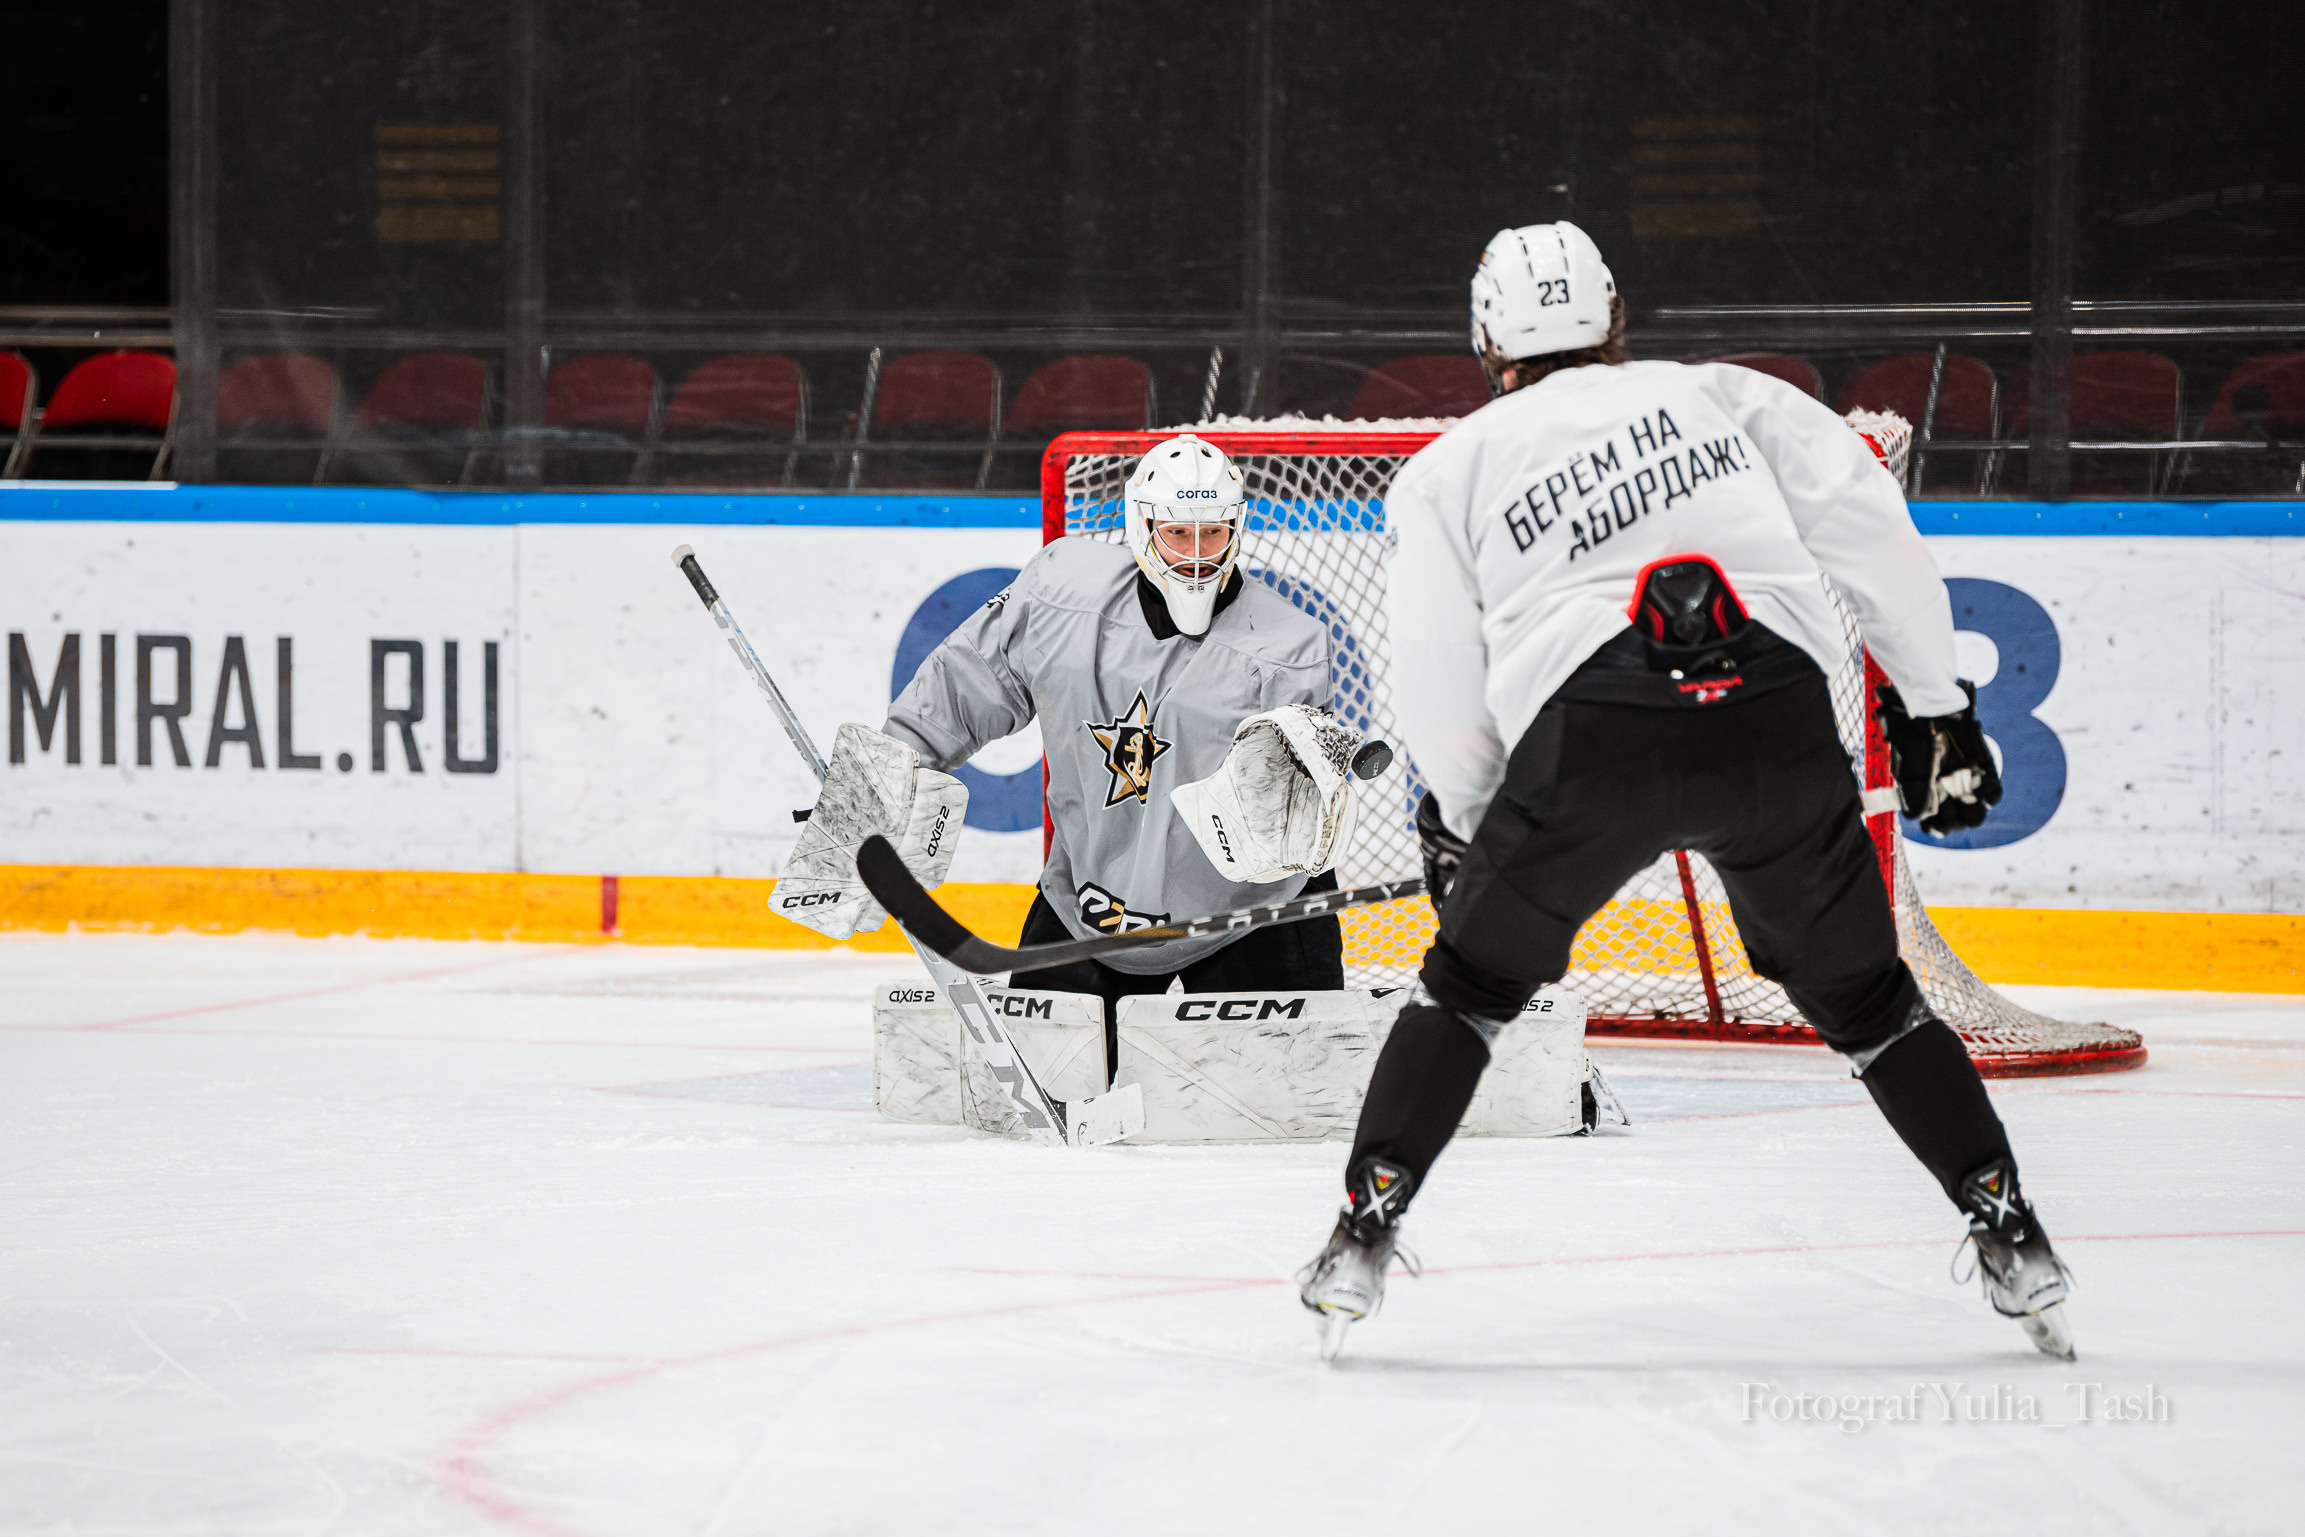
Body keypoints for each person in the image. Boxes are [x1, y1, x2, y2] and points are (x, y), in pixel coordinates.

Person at [1296, 222, 2074, 1361]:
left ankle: (1360, 1237)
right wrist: (1935, 703)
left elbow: (1436, 674)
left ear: (1482, 338)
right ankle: (2012, 1232)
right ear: (1613, 318)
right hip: (1773, 723)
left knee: (1465, 988)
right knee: (1870, 1005)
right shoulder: (1723, 396)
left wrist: (1466, 822)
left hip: (1587, 741)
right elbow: (1867, 523)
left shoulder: (1445, 469)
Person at [777, 434, 1355, 1076]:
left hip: (1249, 917)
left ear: (1236, 529)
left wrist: (1293, 812)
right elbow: (964, 684)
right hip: (1088, 907)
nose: (1196, 558)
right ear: (1142, 528)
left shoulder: (1289, 649)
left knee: (1287, 1108)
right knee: (1039, 1099)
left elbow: (1288, 818)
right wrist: (888, 776)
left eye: (1211, 534)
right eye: (1177, 536)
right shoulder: (1059, 596)